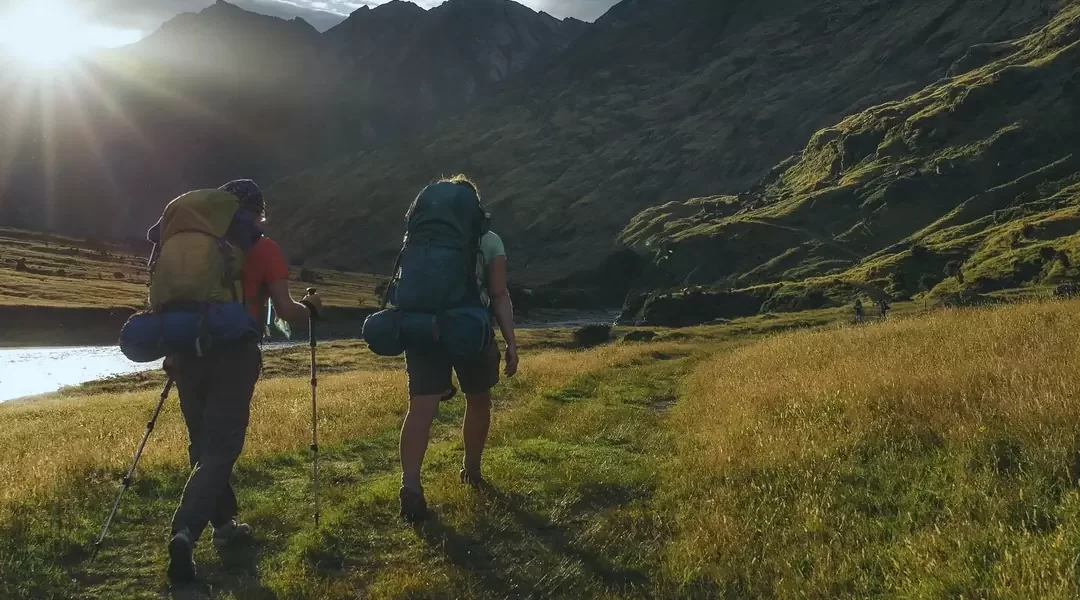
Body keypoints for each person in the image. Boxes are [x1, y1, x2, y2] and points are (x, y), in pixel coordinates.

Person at [164, 180, 322, 584]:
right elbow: (286, 310)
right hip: (233, 356)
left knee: (202, 442)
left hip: (186, 352)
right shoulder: (263, 248)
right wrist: (312, 309)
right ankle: (184, 532)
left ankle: (223, 526)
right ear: (258, 213)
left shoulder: (192, 244)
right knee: (221, 448)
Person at [397, 175, 519, 522]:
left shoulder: (418, 239)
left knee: (420, 409)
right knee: (477, 398)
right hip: (471, 329)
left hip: (422, 329)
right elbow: (498, 295)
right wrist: (511, 341)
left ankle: (411, 484)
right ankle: (471, 469)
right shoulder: (489, 240)